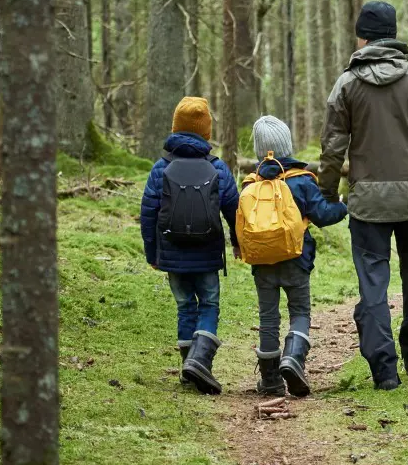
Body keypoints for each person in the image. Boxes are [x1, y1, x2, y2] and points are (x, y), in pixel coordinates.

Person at [320, 1, 408, 391]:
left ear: (362, 37)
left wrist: (328, 193)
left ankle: (384, 370)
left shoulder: (346, 85)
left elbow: (332, 148)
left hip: (366, 204)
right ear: (393, 35)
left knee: (373, 285)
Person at [139, 96, 240, 395]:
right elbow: (235, 210)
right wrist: (238, 243)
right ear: (206, 131)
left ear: (175, 128)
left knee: (185, 306)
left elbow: (148, 213)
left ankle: (189, 368)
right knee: (208, 304)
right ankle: (200, 362)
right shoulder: (218, 168)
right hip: (208, 253)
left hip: (171, 252)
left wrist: (152, 253)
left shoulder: (161, 168)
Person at [245, 115, 347, 397]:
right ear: (287, 146)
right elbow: (324, 216)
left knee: (268, 318)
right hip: (296, 259)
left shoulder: (250, 184)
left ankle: (270, 381)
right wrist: (345, 205)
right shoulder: (301, 181)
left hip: (262, 263)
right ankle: (293, 359)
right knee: (299, 312)